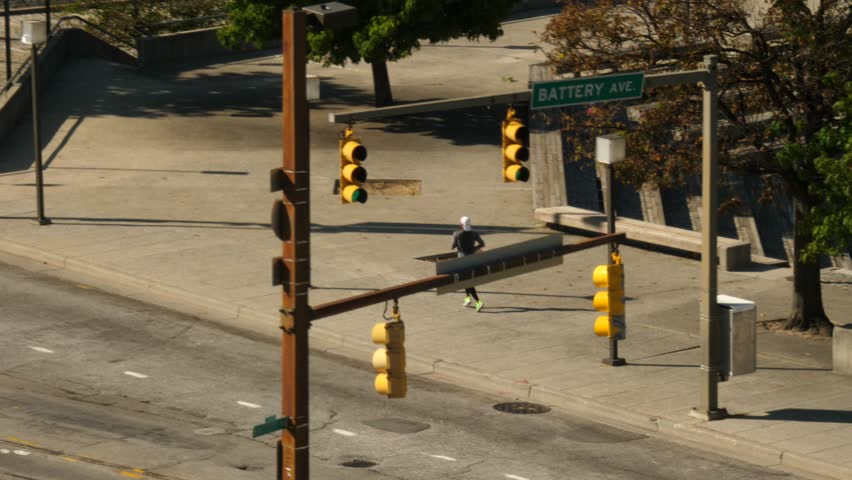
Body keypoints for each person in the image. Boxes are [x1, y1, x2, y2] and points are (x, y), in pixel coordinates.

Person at [452, 216, 486, 312]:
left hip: (462, 262)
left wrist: (456, 242)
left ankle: (478, 301)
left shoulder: (457, 234)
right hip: (472, 260)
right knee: (465, 280)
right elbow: (482, 244)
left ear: (461, 225)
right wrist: (473, 249)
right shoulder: (474, 233)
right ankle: (467, 298)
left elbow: (452, 247)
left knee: (467, 281)